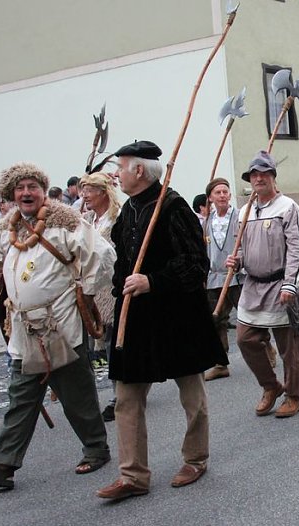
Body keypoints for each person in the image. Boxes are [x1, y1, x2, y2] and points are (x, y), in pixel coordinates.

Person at [0, 162, 112, 490]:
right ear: (11, 194)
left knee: (76, 395)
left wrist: (86, 291)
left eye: (33, 187)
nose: (27, 193)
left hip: (61, 324)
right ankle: (1, 466)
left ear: (43, 191)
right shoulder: (6, 227)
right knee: (21, 398)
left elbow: (102, 255)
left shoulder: (67, 222)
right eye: (20, 188)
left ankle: (96, 449)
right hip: (23, 328)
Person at [97, 141, 225, 500]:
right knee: (126, 397)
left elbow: (195, 264)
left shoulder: (173, 207)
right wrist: (120, 289)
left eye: (121, 167)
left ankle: (195, 459)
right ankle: (133, 475)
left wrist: (153, 281)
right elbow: (123, 262)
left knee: (192, 396)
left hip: (177, 315)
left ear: (139, 170)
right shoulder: (128, 211)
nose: (117, 175)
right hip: (137, 317)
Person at [226, 150, 299, 419]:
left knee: (288, 349)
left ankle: (293, 396)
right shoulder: (245, 212)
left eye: (264, 174)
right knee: (245, 339)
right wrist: (236, 260)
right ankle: (271, 386)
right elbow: (241, 246)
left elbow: (297, 247)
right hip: (253, 286)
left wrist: (290, 284)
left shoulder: (288, 207)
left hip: (281, 284)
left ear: (273, 177)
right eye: (254, 175)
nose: (258, 179)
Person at [80, 172, 121, 420]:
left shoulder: (116, 219)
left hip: (111, 288)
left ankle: (120, 394)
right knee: (94, 345)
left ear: (103, 192)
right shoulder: (85, 220)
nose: (84, 195)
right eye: (83, 190)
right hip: (89, 289)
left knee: (112, 342)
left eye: (89, 190)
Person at [204, 177, 245, 381]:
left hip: (236, 276)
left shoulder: (239, 217)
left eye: (225, 192)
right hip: (214, 278)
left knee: (248, 316)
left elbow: (247, 242)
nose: (222, 195)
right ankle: (221, 364)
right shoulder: (206, 221)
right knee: (216, 320)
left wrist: (240, 260)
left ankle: (265, 350)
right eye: (217, 192)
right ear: (210, 197)